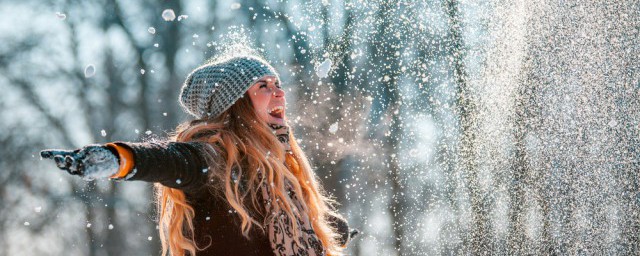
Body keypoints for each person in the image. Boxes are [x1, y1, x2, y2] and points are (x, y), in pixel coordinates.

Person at [41, 54, 357, 256]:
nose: (279, 92)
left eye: (277, 83)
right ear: (237, 103)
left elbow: (278, 221)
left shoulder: (277, 171)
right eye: (263, 85)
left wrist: (328, 229)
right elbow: (168, 159)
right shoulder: (214, 159)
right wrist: (118, 158)